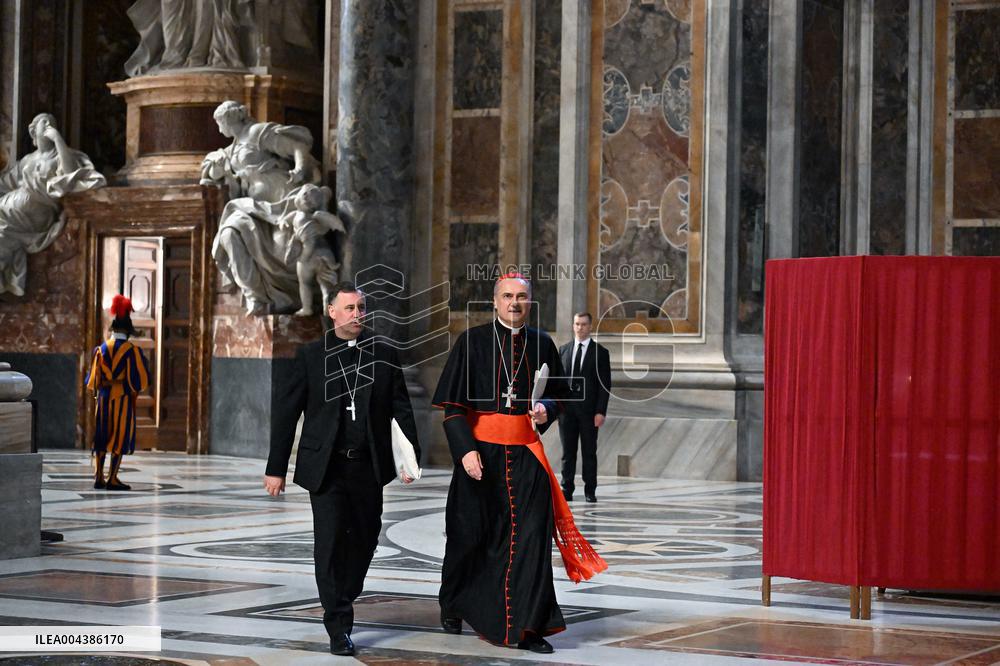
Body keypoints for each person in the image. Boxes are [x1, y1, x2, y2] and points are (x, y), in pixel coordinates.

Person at [433, 273, 607, 654]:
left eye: (522, 297)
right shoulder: (472, 342)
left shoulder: (543, 343)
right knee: (470, 538)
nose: (515, 302)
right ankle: (455, 601)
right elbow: (452, 408)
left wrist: (547, 408)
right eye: (508, 296)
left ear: (530, 302)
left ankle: (527, 625)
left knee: (531, 539)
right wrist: (465, 451)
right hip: (480, 454)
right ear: (495, 302)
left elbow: (560, 396)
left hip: (527, 456)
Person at [265, 281, 420, 657]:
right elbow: (287, 415)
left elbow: (401, 409)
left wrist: (407, 459)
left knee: (366, 539)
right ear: (331, 312)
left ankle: (343, 594)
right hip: (327, 469)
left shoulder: (382, 355)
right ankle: (338, 623)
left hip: (368, 467)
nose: (356, 315)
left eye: (361, 308)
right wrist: (276, 467)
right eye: (349, 308)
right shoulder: (310, 356)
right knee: (331, 544)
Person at [200, 100, 326, 315]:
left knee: (286, 247)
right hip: (252, 207)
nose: (220, 129)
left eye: (220, 124)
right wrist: (215, 167)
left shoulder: (258, 133)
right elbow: (215, 175)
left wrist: (299, 168)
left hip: (281, 198)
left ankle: (295, 296)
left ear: (229, 120)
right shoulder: (231, 149)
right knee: (229, 234)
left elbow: (297, 147)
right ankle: (255, 296)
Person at [0, 113, 106, 296]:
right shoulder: (27, 160)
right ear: (33, 130)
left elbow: (70, 174)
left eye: (52, 122)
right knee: (2, 236)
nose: (49, 124)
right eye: (43, 121)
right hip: (13, 209)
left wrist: (58, 140)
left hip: (38, 211)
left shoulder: (62, 154)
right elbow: (5, 183)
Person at [85, 295, 150, 491]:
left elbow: (93, 380)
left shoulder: (101, 349)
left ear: (112, 329)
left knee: (102, 435)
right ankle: (112, 478)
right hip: (121, 397)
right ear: (128, 330)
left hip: (103, 398)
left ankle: (98, 476)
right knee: (119, 436)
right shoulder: (132, 351)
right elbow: (139, 379)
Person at [558, 312, 611, 502]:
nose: (580, 328)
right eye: (577, 324)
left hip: (589, 413)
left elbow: (605, 385)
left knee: (589, 452)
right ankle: (567, 488)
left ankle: (590, 490)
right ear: (573, 326)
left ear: (590, 326)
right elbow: (557, 382)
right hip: (566, 412)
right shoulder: (563, 350)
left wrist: (600, 411)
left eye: (583, 324)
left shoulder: (601, 353)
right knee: (567, 453)